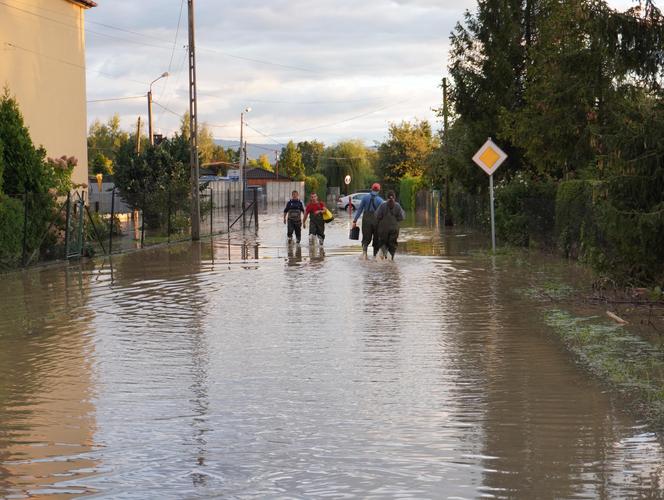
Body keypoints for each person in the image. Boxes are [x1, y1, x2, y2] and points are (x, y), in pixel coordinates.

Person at [352, 183, 384, 258]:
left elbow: (359, 210)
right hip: (376, 221)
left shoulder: (365, 198)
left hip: (366, 220)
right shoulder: (381, 201)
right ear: (379, 190)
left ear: (371, 189)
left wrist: (354, 221)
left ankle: (364, 254)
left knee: (366, 238)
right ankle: (375, 256)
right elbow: (383, 214)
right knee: (376, 239)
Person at [375, 190, 405, 260]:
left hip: (383, 229)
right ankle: (391, 259)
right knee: (392, 244)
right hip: (394, 229)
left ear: (386, 197)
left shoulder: (382, 205)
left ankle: (384, 256)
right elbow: (402, 217)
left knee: (383, 243)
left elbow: (377, 216)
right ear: (395, 197)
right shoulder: (397, 206)